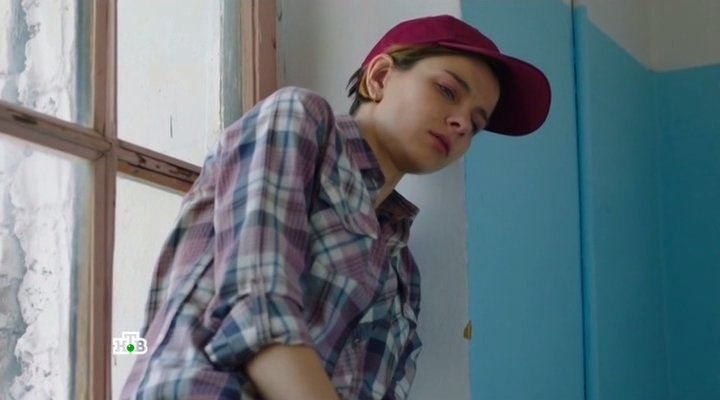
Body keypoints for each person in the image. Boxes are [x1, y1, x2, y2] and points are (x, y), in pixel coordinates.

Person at [120, 14, 550, 400]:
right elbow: (256, 311)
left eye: (476, 123)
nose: (460, 124)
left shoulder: (403, 274)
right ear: (379, 77)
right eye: (446, 90)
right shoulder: (302, 120)